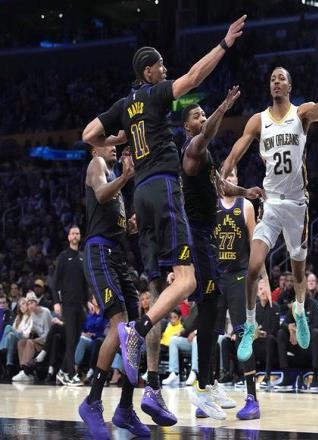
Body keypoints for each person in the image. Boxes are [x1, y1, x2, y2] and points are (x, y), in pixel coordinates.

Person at [82, 16, 247, 403]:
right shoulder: (155, 94)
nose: (165, 69)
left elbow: (89, 134)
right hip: (162, 188)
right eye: (160, 66)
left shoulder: (124, 105)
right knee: (186, 283)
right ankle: (139, 329)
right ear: (148, 71)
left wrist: (122, 134)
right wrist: (224, 44)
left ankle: (150, 385)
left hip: (139, 194)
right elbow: (194, 76)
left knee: (160, 288)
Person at [220, 67, 318, 366]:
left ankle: (299, 309)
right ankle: (250, 325)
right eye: (272, 79)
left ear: (290, 86)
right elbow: (236, 152)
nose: (276, 82)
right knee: (253, 267)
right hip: (270, 204)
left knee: (298, 273)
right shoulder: (258, 120)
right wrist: (224, 171)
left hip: (297, 205)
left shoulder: (301, 113)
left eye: (281, 78)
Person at [178, 89, 263, 420]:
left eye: (204, 114)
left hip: (228, 264)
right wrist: (224, 107)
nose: (202, 118)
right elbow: (208, 133)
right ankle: (203, 387)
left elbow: (221, 185)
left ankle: (218, 387)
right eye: (196, 116)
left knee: (221, 321)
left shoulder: (211, 164)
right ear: (187, 126)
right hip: (198, 237)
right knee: (209, 318)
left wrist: (246, 191)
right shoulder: (193, 147)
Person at [78, 146, 150, 439]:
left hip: (118, 255)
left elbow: (119, 225)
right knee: (119, 326)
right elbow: (100, 194)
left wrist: (132, 226)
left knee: (135, 330)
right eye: (108, 142)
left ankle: (125, 408)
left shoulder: (116, 179)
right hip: (99, 252)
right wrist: (125, 177)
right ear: (95, 146)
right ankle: (92, 402)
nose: (113, 147)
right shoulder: (97, 165)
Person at [214, 165, 271, 420]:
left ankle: (251, 399)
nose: (230, 178)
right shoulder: (211, 205)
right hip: (216, 278)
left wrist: (264, 279)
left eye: (233, 174)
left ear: (238, 179)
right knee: (210, 336)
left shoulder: (246, 206)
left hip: (239, 277)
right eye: (226, 175)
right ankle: (208, 392)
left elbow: (255, 247)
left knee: (243, 335)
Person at [52, 225, 90, 386]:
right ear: (68, 237)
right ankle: (71, 374)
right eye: (72, 233)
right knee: (71, 339)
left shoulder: (83, 257)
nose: (75, 236)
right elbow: (55, 282)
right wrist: (56, 302)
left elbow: (85, 283)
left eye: (77, 233)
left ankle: (62, 371)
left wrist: (88, 301)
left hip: (80, 306)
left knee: (75, 340)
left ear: (79, 237)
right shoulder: (63, 257)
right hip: (67, 305)